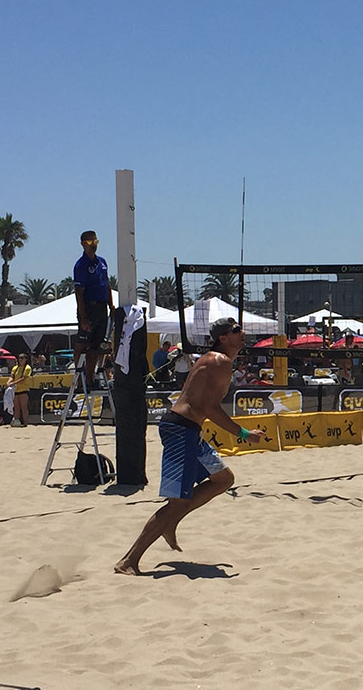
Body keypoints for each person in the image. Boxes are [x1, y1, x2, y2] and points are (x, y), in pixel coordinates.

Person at [115, 317, 265, 576]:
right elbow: (209, 407)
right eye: (236, 330)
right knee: (177, 502)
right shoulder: (219, 361)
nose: (242, 332)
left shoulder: (214, 360)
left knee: (223, 479)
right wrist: (243, 434)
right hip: (180, 429)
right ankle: (129, 560)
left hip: (188, 430)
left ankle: (171, 522)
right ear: (222, 338)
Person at [72, 230, 115, 384]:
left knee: (95, 346)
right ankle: (78, 377)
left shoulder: (102, 262)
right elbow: (79, 292)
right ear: (83, 244)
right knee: (82, 343)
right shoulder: (81, 265)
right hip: (88, 308)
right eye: (90, 242)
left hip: (102, 308)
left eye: (95, 242)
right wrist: (83, 317)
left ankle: (89, 379)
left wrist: (111, 304)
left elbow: (107, 284)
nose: (93, 245)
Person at [6, 353, 32, 427]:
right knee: (16, 407)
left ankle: (25, 423)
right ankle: (16, 421)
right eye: (19, 358)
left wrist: (13, 383)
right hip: (15, 390)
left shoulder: (27, 368)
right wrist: (8, 382)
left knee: (24, 407)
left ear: (26, 359)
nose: (20, 359)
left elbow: (23, 378)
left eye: (22, 358)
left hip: (23, 390)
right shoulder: (15, 368)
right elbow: (12, 376)